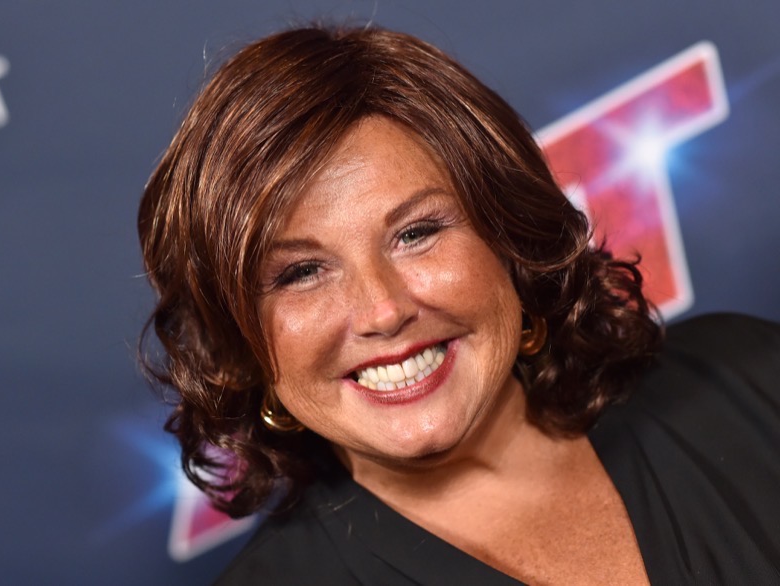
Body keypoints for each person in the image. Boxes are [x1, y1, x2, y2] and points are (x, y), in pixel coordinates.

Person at [138, 26, 780, 585]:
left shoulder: (747, 382)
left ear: (508, 237)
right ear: (241, 338)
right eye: (301, 273)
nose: (383, 311)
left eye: (415, 233)